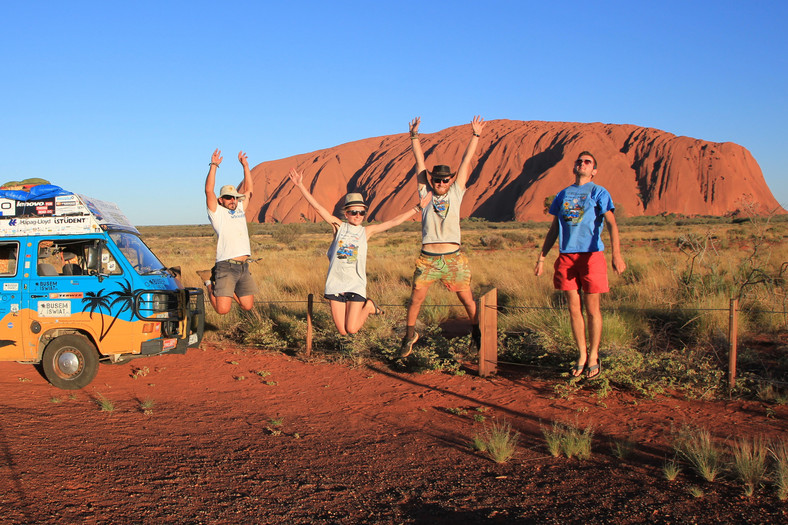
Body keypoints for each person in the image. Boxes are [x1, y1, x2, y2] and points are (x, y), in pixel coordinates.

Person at [288, 168, 431, 335]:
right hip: (335, 284)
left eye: (361, 212)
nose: (357, 215)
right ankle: (367, 309)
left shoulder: (366, 232)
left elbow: (393, 222)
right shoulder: (338, 227)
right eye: (353, 212)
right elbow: (319, 209)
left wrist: (417, 208)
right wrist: (300, 186)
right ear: (346, 214)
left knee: (352, 328)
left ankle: (369, 307)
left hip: (355, 284)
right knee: (342, 331)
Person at [534, 151, 626, 379]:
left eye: (587, 162)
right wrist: (542, 257)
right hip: (566, 256)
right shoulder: (563, 195)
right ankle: (582, 355)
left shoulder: (599, 192)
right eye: (579, 161)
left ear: (594, 170)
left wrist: (617, 255)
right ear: (574, 167)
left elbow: (612, 224)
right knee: (574, 310)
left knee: (593, 309)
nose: (582, 164)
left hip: (591, 256)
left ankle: (594, 356)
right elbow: (554, 228)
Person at [400, 116, 485, 358]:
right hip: (428, 258)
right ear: (432, 181)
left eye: (445, 180)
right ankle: (409, 336)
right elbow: (419, 162)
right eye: (436, 179)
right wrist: (414, 136)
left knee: (467, 300)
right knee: (416, 298)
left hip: (453, 258)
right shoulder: (425, 192)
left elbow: (466, 161)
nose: (440, 182)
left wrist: (475, 135)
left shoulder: (456, 192)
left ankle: (477, 334)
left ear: (450, 181)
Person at [198, 149, 258, 315]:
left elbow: (250, 189)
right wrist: (214, 165)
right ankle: (209, 282)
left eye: (235, 197)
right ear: (221, 199)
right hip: (226, 265)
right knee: (222, 310)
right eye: (228, 197)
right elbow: (209, 191)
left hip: (243, 267)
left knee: (247, 306)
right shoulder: (217, 213)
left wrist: (245, 166)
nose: (233, 200)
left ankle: (224, 288)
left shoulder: (240, 209)